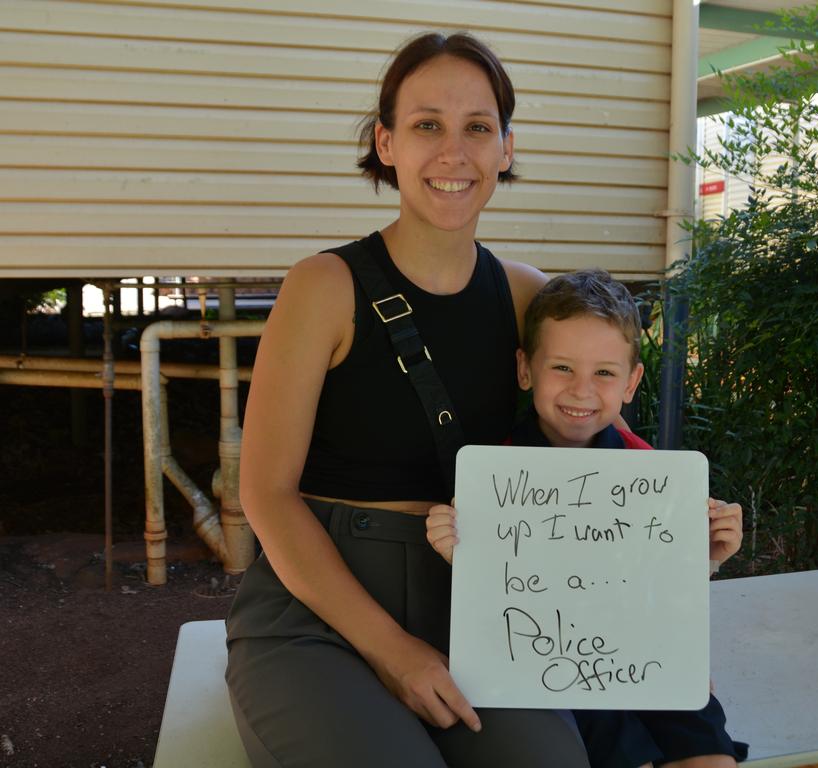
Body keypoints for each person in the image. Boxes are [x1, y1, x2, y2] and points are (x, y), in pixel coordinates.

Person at [224, 31, 593, 767]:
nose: (454, 153)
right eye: (427, 125)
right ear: (386, 143)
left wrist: (677, 552)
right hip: (315, 613)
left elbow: (587, 459)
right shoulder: (323, 287)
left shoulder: (527, 296)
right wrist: (394, 650)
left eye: (477, 128)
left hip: (473, 606)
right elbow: (264, 494)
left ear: (506, 149)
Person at [426, 269, 749, 768]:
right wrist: (459, 554)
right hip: (563, 677)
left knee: (712, 760)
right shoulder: (493, 479)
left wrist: (704, 560)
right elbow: (495, 606)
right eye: (561, 368)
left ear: (631, 382)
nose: (581, 391)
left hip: (648, 663)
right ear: (525, 369)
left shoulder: (652, 476)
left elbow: (659, 592)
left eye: (603, 373)